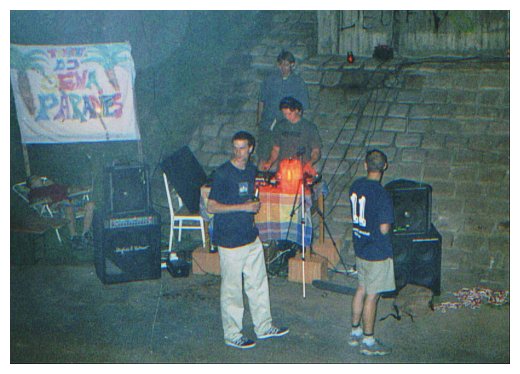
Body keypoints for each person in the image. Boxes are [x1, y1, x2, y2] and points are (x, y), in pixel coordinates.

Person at [206, 131, 289, 350]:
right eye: (235, 147)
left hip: (250, 237)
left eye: (243, 147)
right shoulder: (223, 173)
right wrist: (243, 207)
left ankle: (263, 326)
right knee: (232, 289)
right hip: (230, 240)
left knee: (258, 283)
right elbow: (211, 206)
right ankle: (232, 333)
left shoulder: (251, 170)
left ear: (251, 148)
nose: (238, 152)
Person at [348, 149, 395, 356]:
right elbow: (384, 228)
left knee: (361, 288)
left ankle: (355, 331)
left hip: (360, 247)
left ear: (366, 166)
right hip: (376, 251)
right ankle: (368, 341)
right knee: (372, 296)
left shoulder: (356, 186)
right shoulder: (382, 194)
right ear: (384, 167)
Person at [257, 50, 310, 164]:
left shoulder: (298, 83)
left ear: (292, 65)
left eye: (286, 65)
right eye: (281, 64)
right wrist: (259, 121)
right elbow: (262, 101)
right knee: (263, 155)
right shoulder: (269, 80)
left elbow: (302, 108)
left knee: (286, 158)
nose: (283, 68)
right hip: (268, 124)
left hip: (287, 127)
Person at [27, 175, 95, 249]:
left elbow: (67, 189)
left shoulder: (51, 186)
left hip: (69, 201)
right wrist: (54, 202)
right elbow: (34, 202)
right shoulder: (33, 192)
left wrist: (81, 188)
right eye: (35, 179)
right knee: (69, 208)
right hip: (58, 208)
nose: (38, 178)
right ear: (32, 185)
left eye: (37, 177)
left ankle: (85, 235)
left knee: (90, 205)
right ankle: (74, 238)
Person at [260, 96, 321, 175]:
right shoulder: (279, 126)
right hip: (283, 171)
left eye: (290, 113)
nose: (287, 117)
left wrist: (310, 163)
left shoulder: (309, 127)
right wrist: (269, 162)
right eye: (285, 114)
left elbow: (316, 151)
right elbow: (275, 149)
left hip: (302, 171)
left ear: (297, 110)